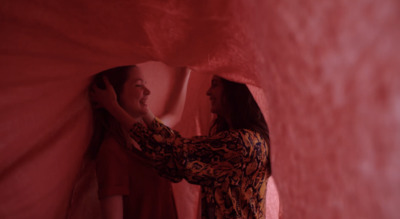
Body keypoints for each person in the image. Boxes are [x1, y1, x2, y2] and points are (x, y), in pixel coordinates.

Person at [92, 74, 271, 219]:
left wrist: (114, 108)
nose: (208, 92)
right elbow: (175, 145)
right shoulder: (112, 151)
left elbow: (173, 150)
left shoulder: (243, 143)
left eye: (215, 85)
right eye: (139, 85)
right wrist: (144, 111)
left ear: (234, 92)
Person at [88, 65, 191, 219]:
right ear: (116, 94)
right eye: (138, 85)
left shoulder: (151, 139)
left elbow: (174, 116)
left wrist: (185, 72)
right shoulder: (112, 151)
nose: (148, 92)